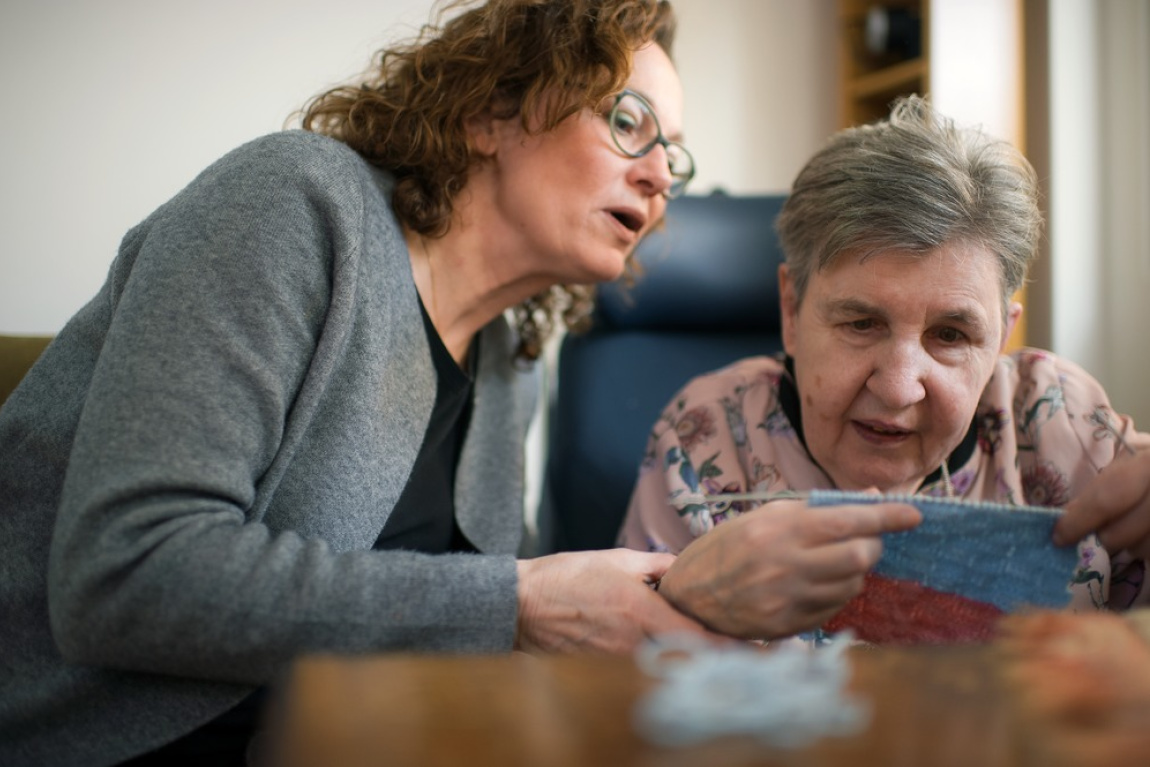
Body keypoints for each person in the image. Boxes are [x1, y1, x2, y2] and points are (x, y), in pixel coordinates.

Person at [0, 1, 713, 764]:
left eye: (673, 151)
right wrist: (521, 601)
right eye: (629, 121)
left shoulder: (509, 359)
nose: (660, 175)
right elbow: (124, 573)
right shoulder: (289, 205)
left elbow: (470, 633)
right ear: (490, 112)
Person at [619, 95, 1150, 643]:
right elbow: (626, 678)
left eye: (951, 335)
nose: (898, 389)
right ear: (791, 311)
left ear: (999, 339)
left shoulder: (1060, 420)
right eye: (860, 324)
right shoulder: (706, 436)